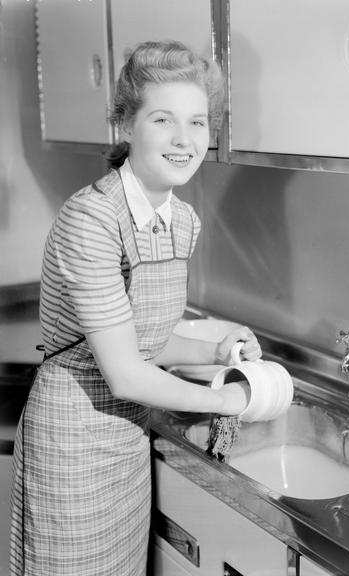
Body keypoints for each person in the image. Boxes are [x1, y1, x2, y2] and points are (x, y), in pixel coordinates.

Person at [9, 40, 261, 576]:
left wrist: (218, 349)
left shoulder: (183, 221)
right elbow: (124, 372)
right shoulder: (92, 221)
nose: (183, 139)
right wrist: (232, 400)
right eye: (163, 119)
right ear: (126, 125)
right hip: (73, 443)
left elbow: (145, 336)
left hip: (127, 444)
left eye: (198, 123)